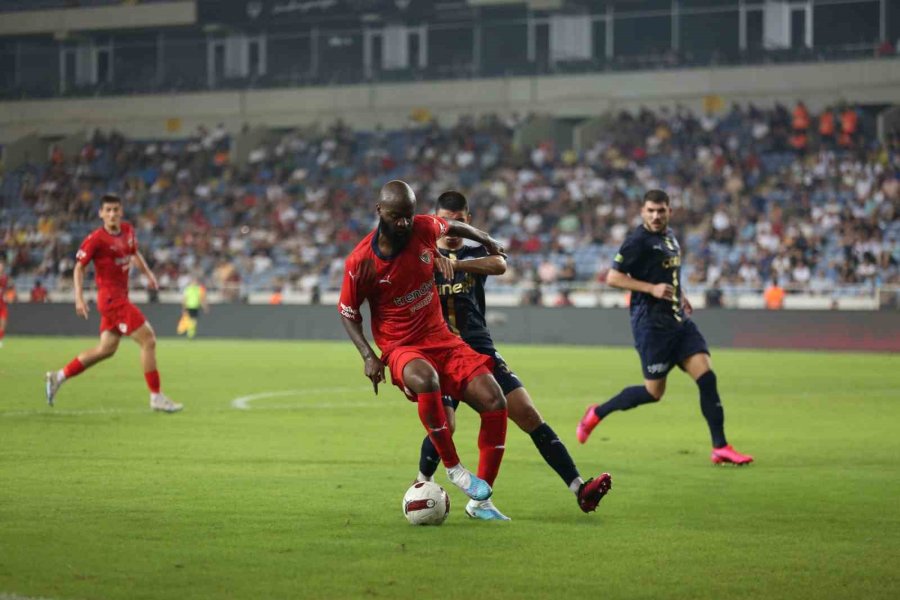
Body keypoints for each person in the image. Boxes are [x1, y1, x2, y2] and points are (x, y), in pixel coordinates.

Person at [416, 191, 612, 515]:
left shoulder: (476, 250)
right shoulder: (421, 254)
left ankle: (579, 488)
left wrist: (457, 264)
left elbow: (500, 263)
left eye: (459, 222)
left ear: (469, 220)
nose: (451, 229)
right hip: (439, 350)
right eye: (446, 222)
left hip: (479, 346)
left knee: (527, 413)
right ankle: (420, 484)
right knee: (445, 424)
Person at [339, 180, 509, 519]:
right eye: (395, 216)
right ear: (379, 212)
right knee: (426, 378)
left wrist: (486, 239)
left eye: (408, 215)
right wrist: (369, 356)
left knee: (495, 401)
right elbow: (348, 313)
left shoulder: (423, 227)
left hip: (442, 338)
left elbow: (454, 224)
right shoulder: (361, 262)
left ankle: (481, 502)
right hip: (401, 346)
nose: (403, 223)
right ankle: (455, 468)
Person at [577, 190, 752, 465]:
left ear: (669, 210)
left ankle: (720, 447)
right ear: (642, 212)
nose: (656, 216)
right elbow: (613, 277)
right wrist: (651, 288)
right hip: (652, 326)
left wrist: (680, 295)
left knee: (707, 378)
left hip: (678, 322)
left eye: (661, 210)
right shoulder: (637, 241)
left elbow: (667, 273)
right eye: (651, 211)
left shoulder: (669, 237)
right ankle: (597, 413)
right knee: (653, 393)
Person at [44, 194, 182, 413]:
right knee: (149, 340)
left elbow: (134, 252)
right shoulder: (96, 239)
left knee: (106, 349)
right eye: (107, 210)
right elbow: (79, 267)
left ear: (121, 211)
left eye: (115, 210)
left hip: (119, 298)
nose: (112, 214)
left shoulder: (127, 230)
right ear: (101, 213)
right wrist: (79, 297)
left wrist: (148, 274)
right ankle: (156, 396)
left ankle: (58, 376)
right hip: (111, 300)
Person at [178, 275, 209, 339]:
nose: (195, 282)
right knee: (191, 320)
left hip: (195, 306)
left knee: (193, 320)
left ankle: (190, 333)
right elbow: (185, 299)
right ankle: (190, 333)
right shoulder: (188, 289)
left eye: (195, 281)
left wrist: (204, 307)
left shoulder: (198, 289)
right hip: (189, 306)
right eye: (193, 281)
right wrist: (183, 307)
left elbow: (201, 299)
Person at [0, 260, 8, 348]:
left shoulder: (4, 278)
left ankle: (0, 340)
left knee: (3, 324)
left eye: (1, 266)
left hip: (2, 305)